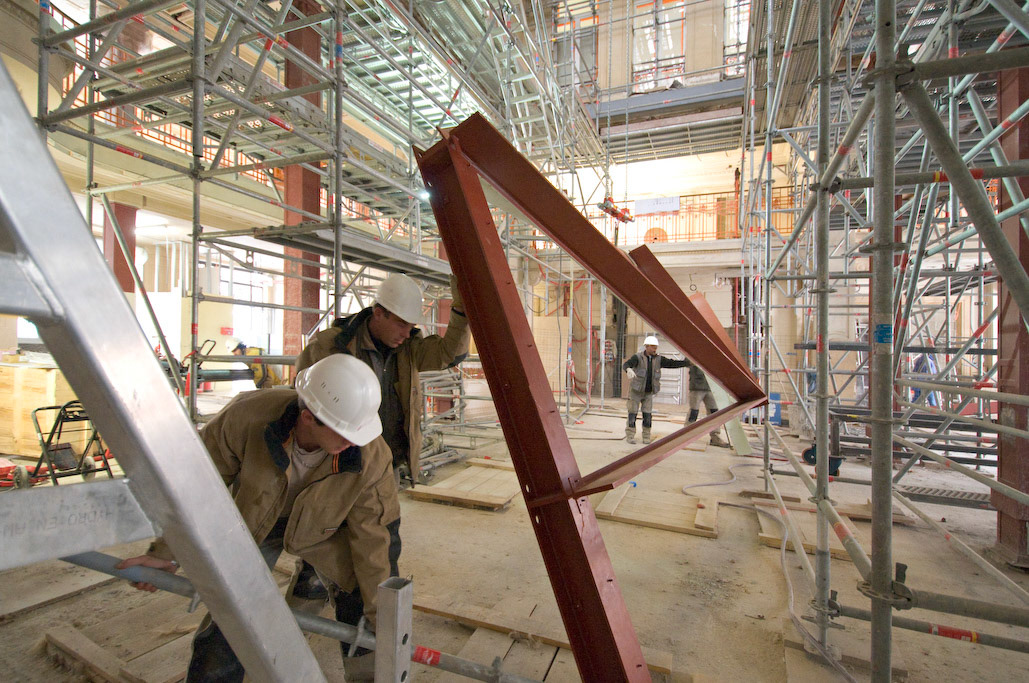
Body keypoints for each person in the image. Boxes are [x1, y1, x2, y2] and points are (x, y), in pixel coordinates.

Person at [117, 355, 398, 682]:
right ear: (308, 417)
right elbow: (196, 487)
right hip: (257, 519)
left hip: (329, 530)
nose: (355, 440)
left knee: (362, 608)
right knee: (233, 616)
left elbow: (375, 539)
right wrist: (167, 553)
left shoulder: (371, 458)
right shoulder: (247, 417)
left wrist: (384, 618)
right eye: (344, 431)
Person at [295, 272, 470, 486]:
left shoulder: (409, 350)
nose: (407, 334)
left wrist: (461, 311)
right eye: (401, 324)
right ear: (379, 313)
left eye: (410, 326)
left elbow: (449, 355)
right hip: (337, 466)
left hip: (387, 463)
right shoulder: (328, 347)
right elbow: (300, 404)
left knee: (383, 518)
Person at [622, 335, 690, 444]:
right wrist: (628, 369)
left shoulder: (659, 359)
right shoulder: (637, 357)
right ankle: (630, 436)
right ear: (646, 346)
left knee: (647, 415)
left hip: (648, 393)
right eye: (653, 347)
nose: (655, 349)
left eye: (656, 347)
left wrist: (686, 363)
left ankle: (646, 437)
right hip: (636, 392)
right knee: (632, 414)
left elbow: (672, 363)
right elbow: (626, 364)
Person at [685, 363, 730, 448]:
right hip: (697, 387)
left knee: (714, 412)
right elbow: (687, 362)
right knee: (693, 412)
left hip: (711, 387)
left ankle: (715, 436)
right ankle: (686, 435)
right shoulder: (695, 352)